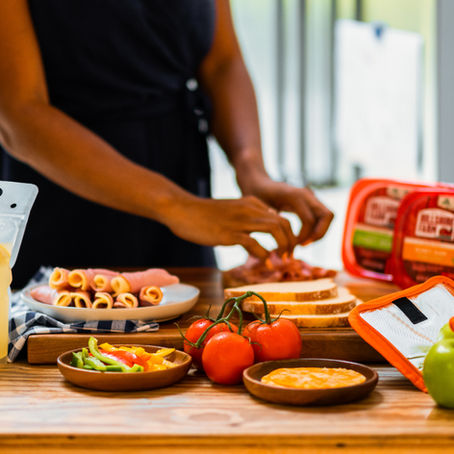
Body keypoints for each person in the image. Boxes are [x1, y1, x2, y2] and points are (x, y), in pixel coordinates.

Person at [0, 0, 333, 287]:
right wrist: (176, 206)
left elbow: (221, 64)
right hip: (61, 194)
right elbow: (18, 115)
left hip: (181, 185)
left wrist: (251, 169)